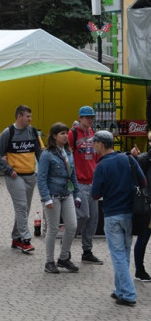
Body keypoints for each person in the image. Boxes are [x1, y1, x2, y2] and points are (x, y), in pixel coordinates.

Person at [91, 130, 147, 307]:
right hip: (130, 214)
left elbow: (94, 194)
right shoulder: (128, 159)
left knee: (118, 255)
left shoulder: (101, 166)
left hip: (113, 215)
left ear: (100, 144)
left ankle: (129, 294)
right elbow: (143, 182)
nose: (93, 146)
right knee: (124, 253)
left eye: (94, 143)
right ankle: (120, 290)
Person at [0, 105, 42, 254]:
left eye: (30, 116)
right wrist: (9, 170)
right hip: (15, 176)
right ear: (19, 117)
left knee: (25, 208)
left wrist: (43, 171)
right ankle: (25, 239)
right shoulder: (8, 132)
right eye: (28, 116)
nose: (30, 119)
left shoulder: (33, 132)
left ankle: (15, 237)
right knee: (21, 206)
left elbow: (40, 153)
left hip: (30, 175)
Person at [37, 123, 80, 274]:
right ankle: (49, 261)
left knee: (72, 226)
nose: (65, 136)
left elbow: (73, 174)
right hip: (52, 195)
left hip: (66, 193)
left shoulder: (68, 152)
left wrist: (77, 193)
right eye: (62, 133)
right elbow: (41, 178)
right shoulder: (47, 154)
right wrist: (46, 198)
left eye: (66, 133)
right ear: (54, 136)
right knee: (53, 228)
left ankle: (63, 258)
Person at [67, 105, 104, 265]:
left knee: (93, 218)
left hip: (92, 181)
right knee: (83, 215)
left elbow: (96, 157)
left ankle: (87, 251)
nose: (90, 120)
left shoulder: (92, 134)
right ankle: (67, 244)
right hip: (78, 182)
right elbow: (67, 156)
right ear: (80, 118)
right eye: (87, 117)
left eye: (92, 117)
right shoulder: (72, 134)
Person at [130, 130, 151, 281]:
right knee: (143, 238)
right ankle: (139, 270)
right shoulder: (144, 159)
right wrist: (132, 157)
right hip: (148, 205)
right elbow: (132, 171)